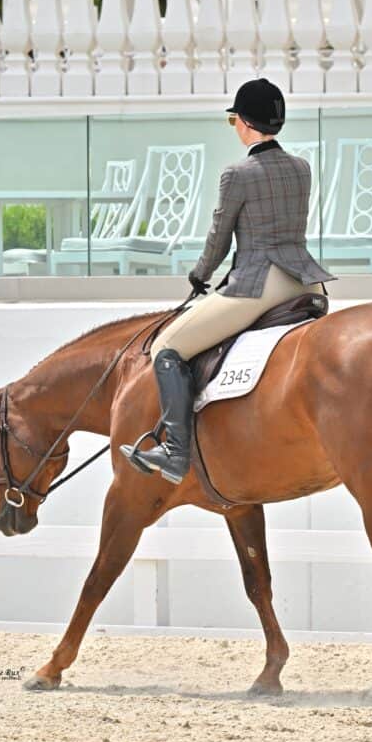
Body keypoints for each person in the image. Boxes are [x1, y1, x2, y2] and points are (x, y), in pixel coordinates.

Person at [120, 78, 338, 485]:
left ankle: (174, 452)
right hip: (306, 284)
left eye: (233, 119)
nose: (234, 126)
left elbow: (220, 236)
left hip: (259, 285)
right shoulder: (301, 168)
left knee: (167, 347)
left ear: (246, 124)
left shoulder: (237, 173)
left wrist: (200, 275)